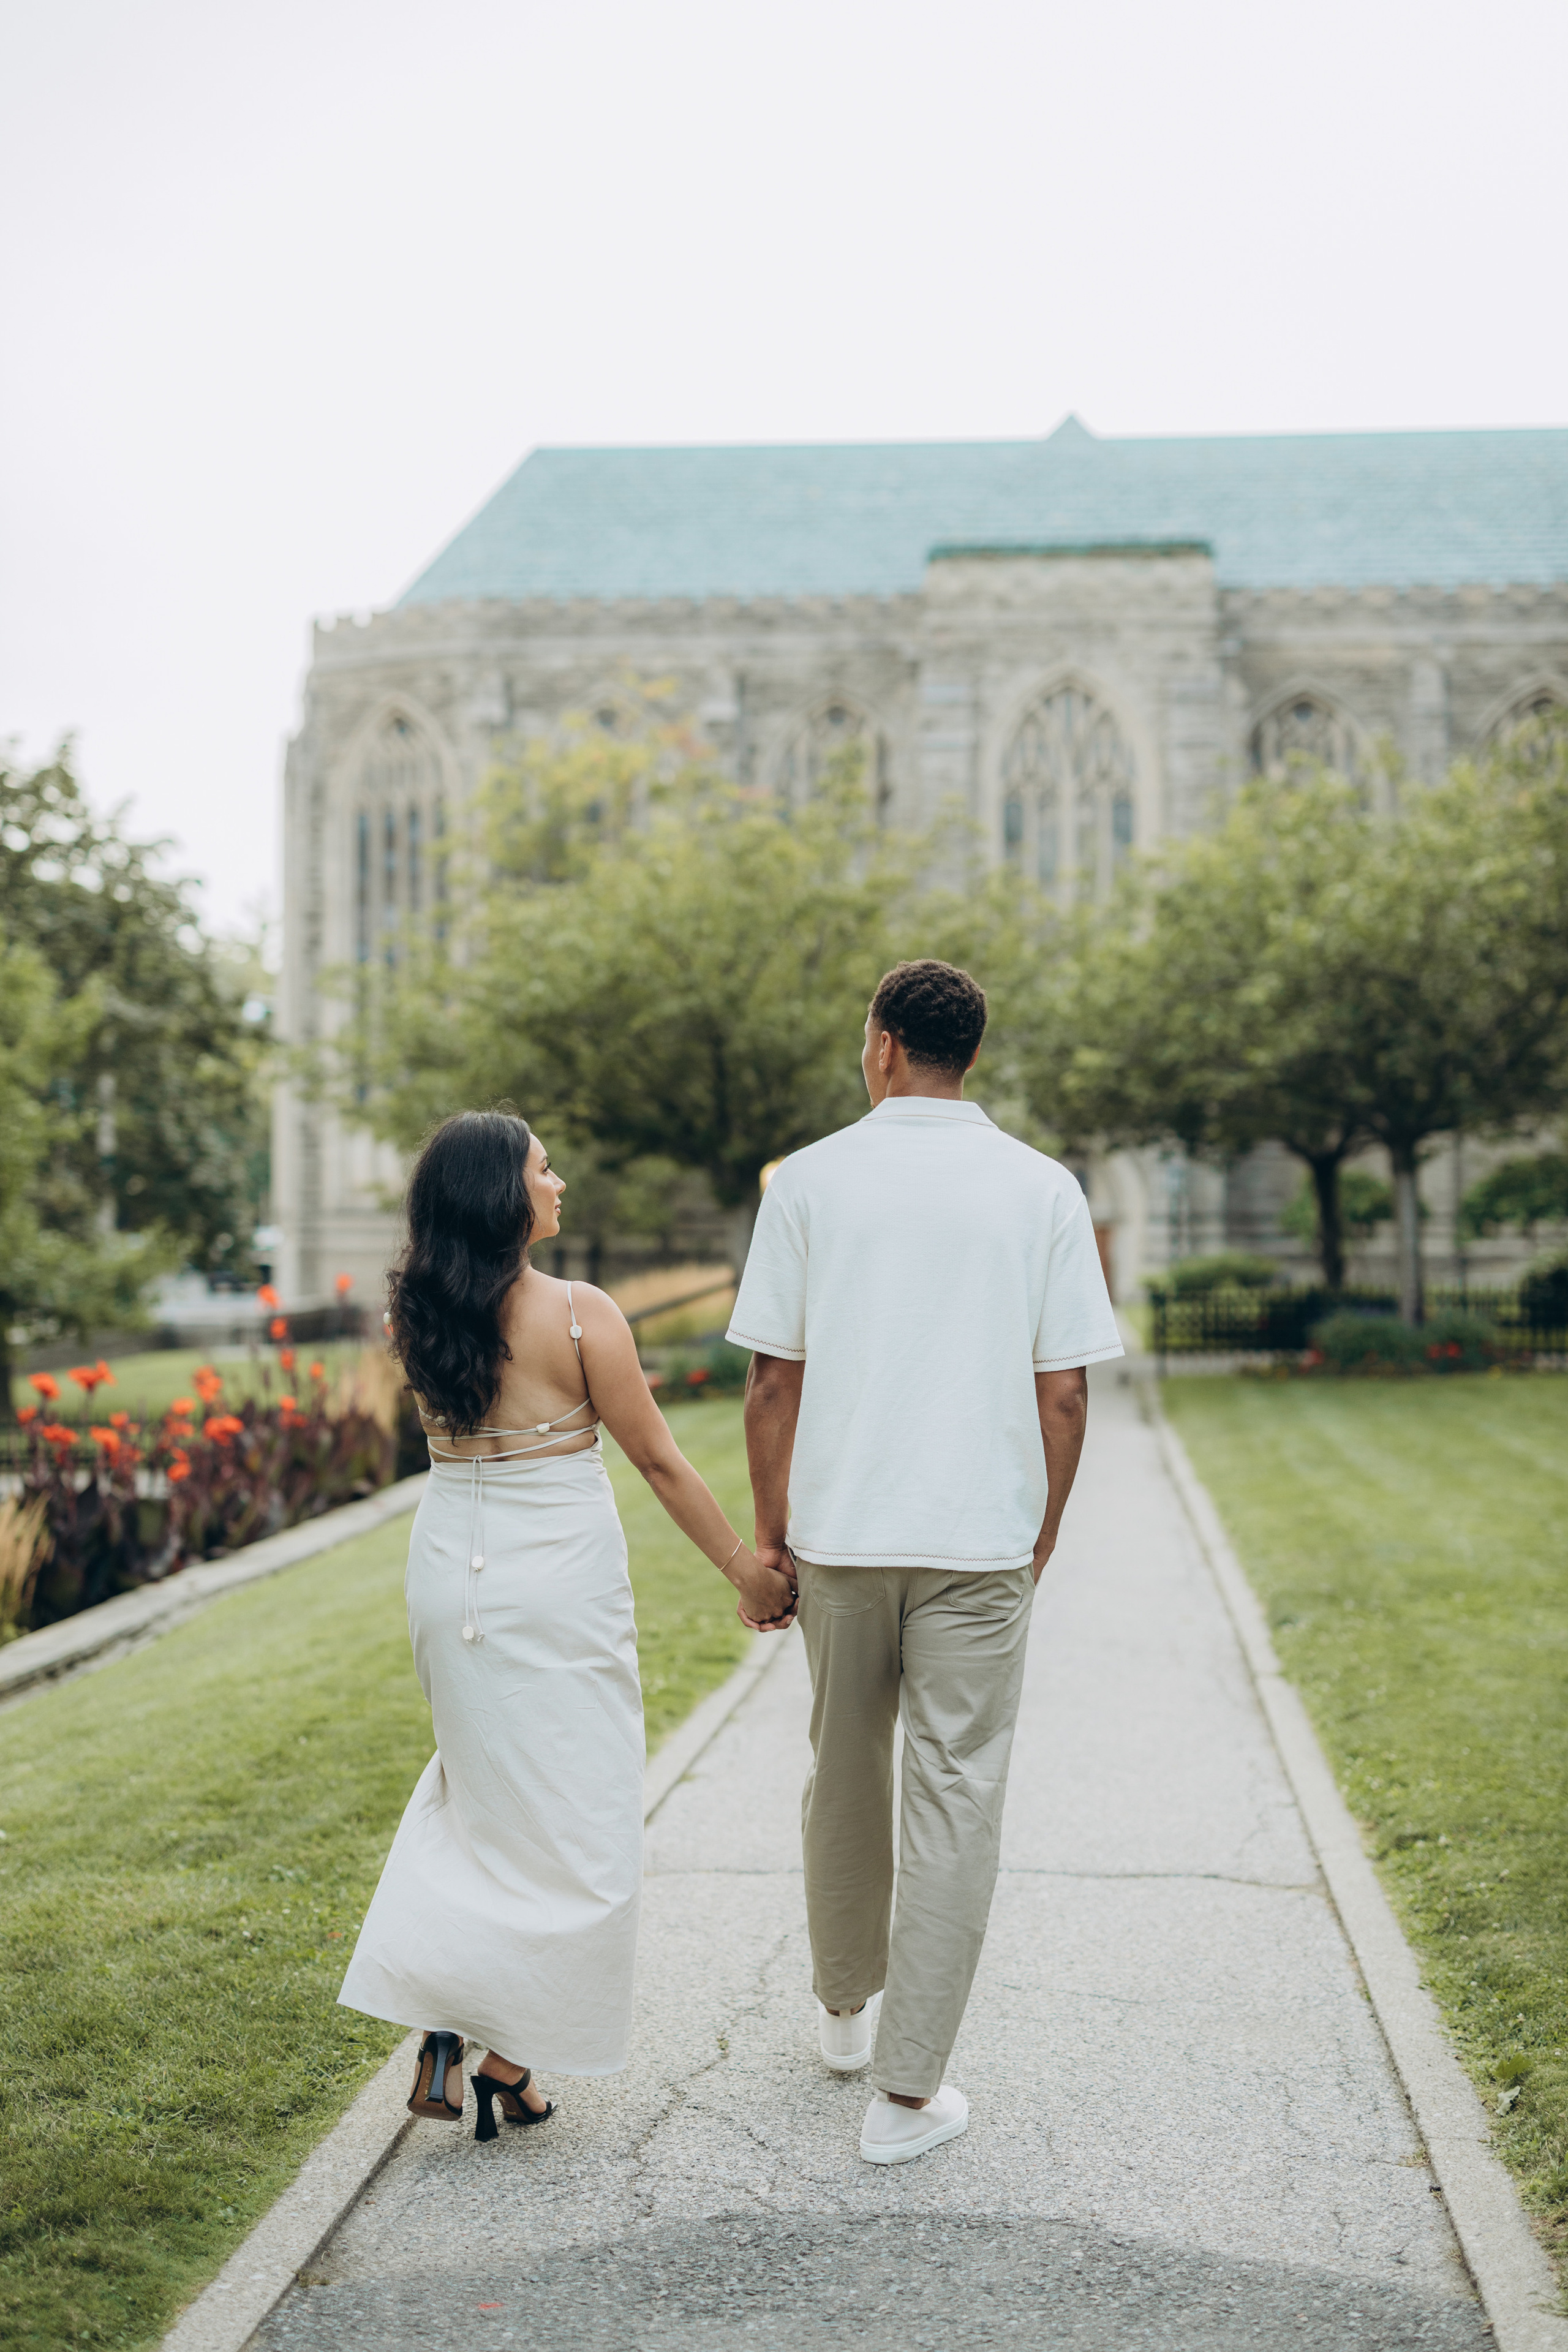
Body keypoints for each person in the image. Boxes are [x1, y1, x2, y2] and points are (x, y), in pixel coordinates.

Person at [728, 959, 1123, 2165]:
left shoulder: (809, 1183)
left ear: (884, 1045)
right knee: (955, 1794)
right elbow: (1062, 1394)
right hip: (978, 1547)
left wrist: (773, 1529)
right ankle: (905, 2098)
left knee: (840, 1771)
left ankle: (846, 2009)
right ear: (966, 1054)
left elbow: (770, 1381)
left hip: (843, 1542)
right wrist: (1043, 1526)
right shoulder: (1041, 1189)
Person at [339, 1108, 797, 2141]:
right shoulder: (582, 1314)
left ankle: (463, 2032)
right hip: (557, 1585)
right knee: (584, 1820)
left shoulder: (414, 1314)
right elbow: (662, 1462)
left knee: (479, 1802)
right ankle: (501, 2050)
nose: (561, 1182)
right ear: (506, 1194)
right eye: (546, 1170)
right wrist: (745, 1570)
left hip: (450, 1576)